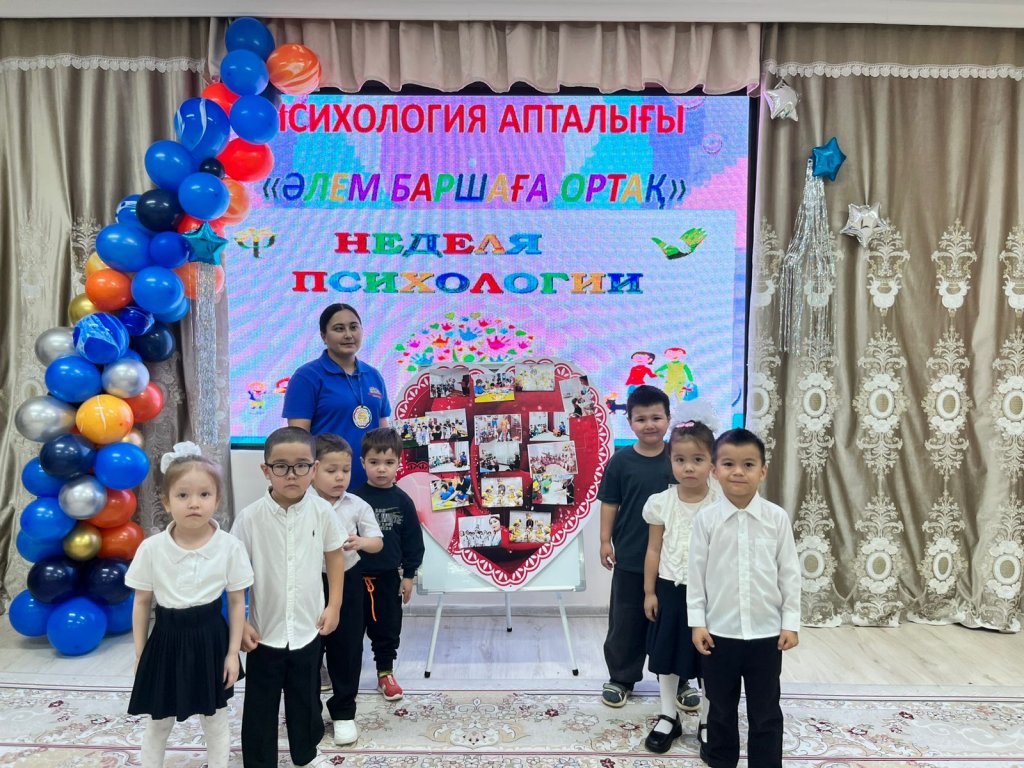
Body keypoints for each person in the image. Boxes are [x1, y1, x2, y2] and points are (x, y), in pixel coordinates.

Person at [126, 442, 253, 768]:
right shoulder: (152, 548)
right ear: (166, 502)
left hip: (211, 639)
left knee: (215, 718)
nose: (194, 503)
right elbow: (142, 602)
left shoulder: (230, 547)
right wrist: (140, 653)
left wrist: (232, 654)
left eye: (204, 494)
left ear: (217, 500)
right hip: (166, 639)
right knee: (159, 720)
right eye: (183, 495)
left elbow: (237, 601)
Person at [232, 426, 346, 768]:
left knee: (305, 699)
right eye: (281, 466)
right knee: (260, 703)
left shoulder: (322, 512)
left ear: (314, 469)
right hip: (264, 632)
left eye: (301, 465)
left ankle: (306, 754)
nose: (292, 474)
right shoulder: (249, 518)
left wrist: (334, 605)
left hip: (308, 627)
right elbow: (234, 575)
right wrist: (240, 623)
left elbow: (335, 557)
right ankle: (259, 761)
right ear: (266, 470)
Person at [688, 429, 801, 768]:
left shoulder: (776, 519)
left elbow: (789, 573)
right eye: (729, 464)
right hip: (719, 634)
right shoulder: (705, 520)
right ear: (714, 470)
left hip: (766, 634)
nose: (738, 472)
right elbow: (696, 576)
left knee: (765, 709)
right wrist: (697, 623)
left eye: (748, 464)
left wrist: (790, 623)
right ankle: (721, 759)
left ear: (763, 471)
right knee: (720, 707)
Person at [641, 421, 719, 753]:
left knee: (711, 659)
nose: (688, 467)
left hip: (713, 594)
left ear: (712, 462)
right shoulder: (662, 502)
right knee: (667, 655)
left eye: (698, 460)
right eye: (680, 459)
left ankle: (708, 719)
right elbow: (654, 549)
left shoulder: (721, 501)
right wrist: (649, 591)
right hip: (670, 589)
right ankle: (668, 715)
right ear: (670, 460)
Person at [598, 385, 675, 708]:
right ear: (629, 422)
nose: (649, 425)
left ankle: (677, 679)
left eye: (656, 417)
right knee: (626, 623)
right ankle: (621, 678)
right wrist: (605, 540)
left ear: (669, 418)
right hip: (630, 557)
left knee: (671, 623)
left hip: (673, 561)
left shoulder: (678, 459)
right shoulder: (620, 462)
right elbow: (610, 504)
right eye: (641, 419)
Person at [312, 433, 384, 746]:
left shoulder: (357, 505)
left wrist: (361, 542)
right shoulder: (302, 504)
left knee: (348, 648)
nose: (340, 477)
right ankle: (308, 712)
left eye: (345, 470)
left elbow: (377, 542)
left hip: (349, 579)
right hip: (310, 582)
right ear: (314, 469)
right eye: (331, 471)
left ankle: (343, 712)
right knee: (309, 649)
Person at [351, 427, 425, 702]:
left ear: (399, 463)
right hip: (353, 578)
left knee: (387, 629)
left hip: (388, 578)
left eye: (388, 462)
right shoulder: (353, 500)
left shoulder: (403, 501)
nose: (381, 469)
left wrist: (409, 576)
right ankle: (346, 677)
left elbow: (413, 542)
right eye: (374, 462)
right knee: (350, 632)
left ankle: (385, 673)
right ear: (363, 463)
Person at [284, 303, 391, 490]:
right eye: (339, 329)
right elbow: (298, 441)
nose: (348, 335)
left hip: (373, 486)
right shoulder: (307, 377)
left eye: (354, 327)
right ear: (323, 336)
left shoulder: (373, 375)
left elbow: (384, 435)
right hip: (326, 488)